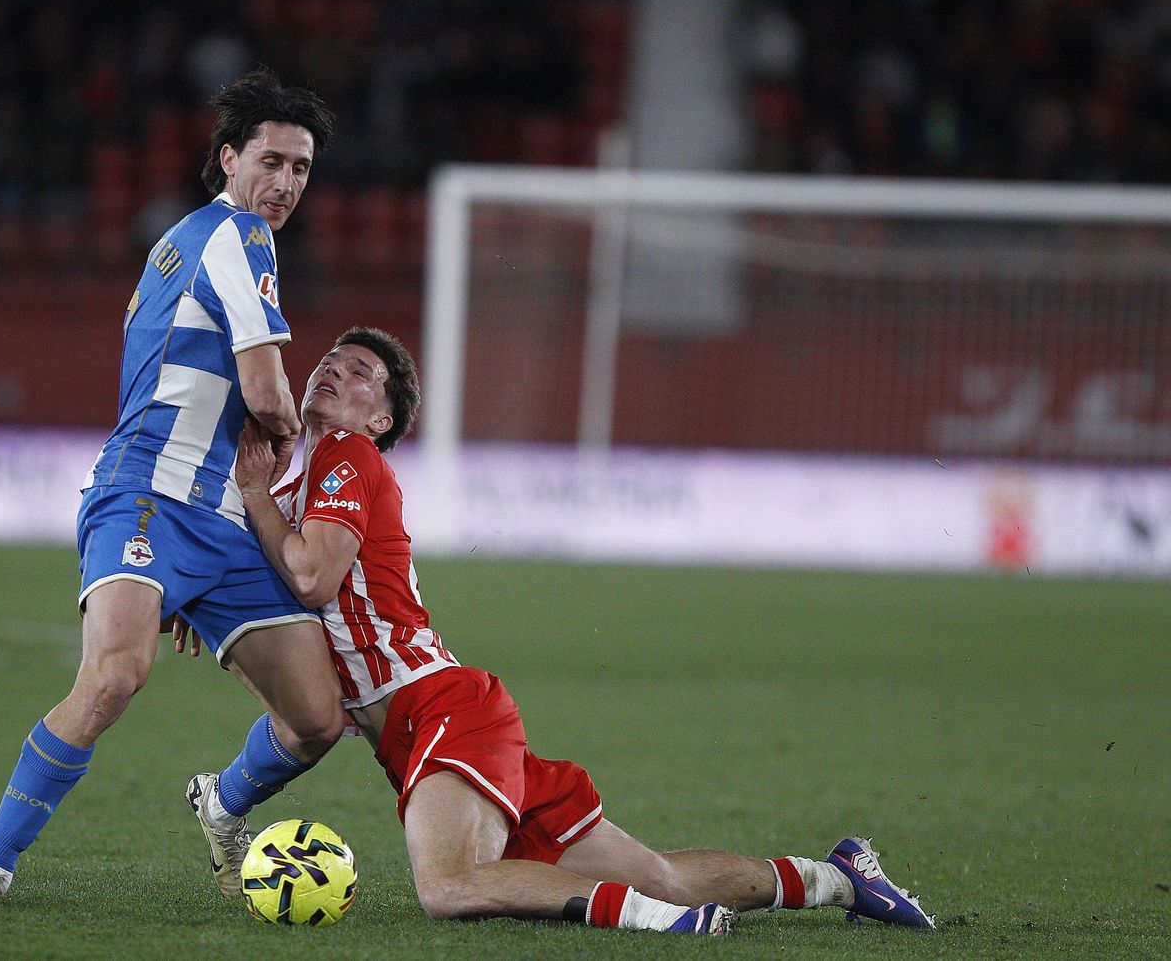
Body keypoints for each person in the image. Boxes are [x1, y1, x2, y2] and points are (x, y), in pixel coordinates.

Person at [184, 326, 936, 938]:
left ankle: (658, 923)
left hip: (440, 712)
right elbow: (284, 588)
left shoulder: (348, 457)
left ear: (380, 421)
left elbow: (311, 578)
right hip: (441, 727)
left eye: (358, 375)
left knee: (448, 888)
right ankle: (837, 875)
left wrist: (249, 494)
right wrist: (211, 597)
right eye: (330, 363)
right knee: (662, 872)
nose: (333, 373)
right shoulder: (296, 482)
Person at [0, 69, 347, 905]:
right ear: (229, 158)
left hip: (219, 524)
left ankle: (221, 801)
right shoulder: (239, 236)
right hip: (146, 498)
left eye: (301, 169)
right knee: (115, 676)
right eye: (271, 161)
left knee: (316, 713)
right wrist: (293, 441)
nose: (285, 184)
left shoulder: (181, 241)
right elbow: (268, 391)